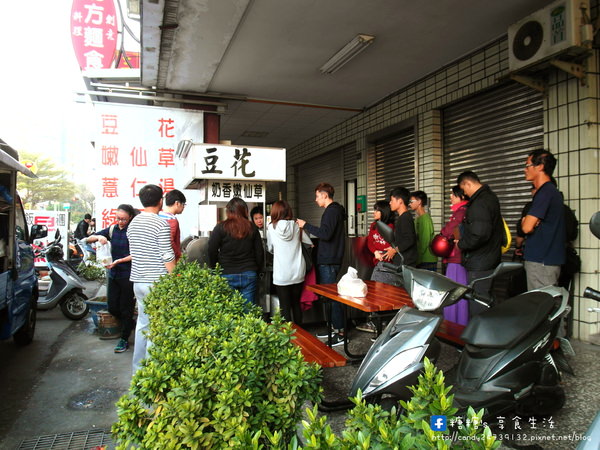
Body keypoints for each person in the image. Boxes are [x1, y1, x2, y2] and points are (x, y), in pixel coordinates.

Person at [127, 184, 176, 374]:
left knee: (142, 325)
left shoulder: (134, 223)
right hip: (157, 282)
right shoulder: (160, 224)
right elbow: (167, 256)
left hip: (138, 281)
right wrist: (175, 279)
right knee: (157, 327)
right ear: (160, 201)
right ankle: (152, 373)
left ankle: (138, 370)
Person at [296, 183, 346, 346]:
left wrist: (306, 225)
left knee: (332, 296)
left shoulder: (331, 211)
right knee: (329, 296)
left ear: (325, 195)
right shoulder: (334, 211)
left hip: (329, 260)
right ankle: (333, 327)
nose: (315, 199)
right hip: (329, 259)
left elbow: (326, 234)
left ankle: (340, 331)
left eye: (317, 196)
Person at [86, 204, 137, 353]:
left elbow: (137, 253)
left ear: (131, 218)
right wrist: (99, 236)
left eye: (124, 219)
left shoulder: (133, 232)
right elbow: (88, 239)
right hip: (113, 274)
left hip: (128, 275)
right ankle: (129, 324)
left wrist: (120, 261)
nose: (120, 222)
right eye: (118, 218)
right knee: (113, 307)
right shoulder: (112, 229)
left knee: (126, 308)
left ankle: (124, 339)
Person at [456, 171, 503, 316]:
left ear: (468, 184)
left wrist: (461, 244)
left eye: (464, 190)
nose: (465, 195)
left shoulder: (479, 203)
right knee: (485, 299)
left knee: (478, 301)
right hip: (489, 259)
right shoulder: (490, 197)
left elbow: (479, 234)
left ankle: (479, 337)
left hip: (480, 262)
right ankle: (490, 334)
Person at [521, 149, 565, 290]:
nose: (525, 170)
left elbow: (526, 227)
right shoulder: (549, 191)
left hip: (542, 261)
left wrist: (527, 222)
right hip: (544, 259)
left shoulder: (545, 192)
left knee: (541, 305)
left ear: (540, 167)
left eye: (527, 165)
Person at [208, 197, 264, 306]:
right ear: (245, 211)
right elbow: (259, 252)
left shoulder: (221, 227)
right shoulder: (252, 227)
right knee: (248, 312)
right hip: (249, 273)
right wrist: (258, 269)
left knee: (230, 311)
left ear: (228, 211)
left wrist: (215, 268)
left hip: (226, 273)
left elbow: (211, 250)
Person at [266, 200, 313, 325]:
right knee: (296, 304)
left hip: (281, 274)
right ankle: (301, 334)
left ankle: (289, 338)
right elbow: (309, 243)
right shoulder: (297, 226)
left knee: (284, 306)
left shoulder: (271, 227)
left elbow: (270, 248)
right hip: (298, 271)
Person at [356, 200, 395, 334]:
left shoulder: (391, 226)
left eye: (377, 210)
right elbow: (370, 242)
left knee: (387, 295)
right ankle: (376, 324)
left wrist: (392, 249)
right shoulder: (373, 225)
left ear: (383, 212)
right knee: (375, 293)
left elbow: (396, 242)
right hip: (378, 263)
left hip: (390, 266)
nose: (374, 213)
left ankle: (383, 325)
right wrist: (375, 252)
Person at [371, 187, 417, 286]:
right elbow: (403, 239)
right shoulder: (402, 217)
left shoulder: (405, 218)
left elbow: (410, 239)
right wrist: (392, 247)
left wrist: (395, 250)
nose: (390, 203)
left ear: (400, 201)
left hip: (406, 264)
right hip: (402, 263)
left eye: (392, 200)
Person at [439, 185, 469, 326]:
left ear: (462, 196)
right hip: (460, 257)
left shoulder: (461, 212)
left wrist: (443, 232)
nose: (450, 197)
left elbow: (447, 231)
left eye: (453, 194)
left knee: (455, 293)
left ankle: (454, 325)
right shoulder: (464, 211)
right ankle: (459, 323)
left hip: (456, 258)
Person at [409, 190, 437, 271]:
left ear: (419, 202)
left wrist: (416, 259)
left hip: (426, 260)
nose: (409, 204)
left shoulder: (425, 219)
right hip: (420, 259)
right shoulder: (418, 219)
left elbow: (424, 241)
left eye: (411, 201)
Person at [158, 189, 186, 263]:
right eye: (183, 204)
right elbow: (170, 241)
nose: (183, 207)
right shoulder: (172, 219)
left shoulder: (158, 216)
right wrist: (178, 255)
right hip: (169, 261)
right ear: (177, 203)